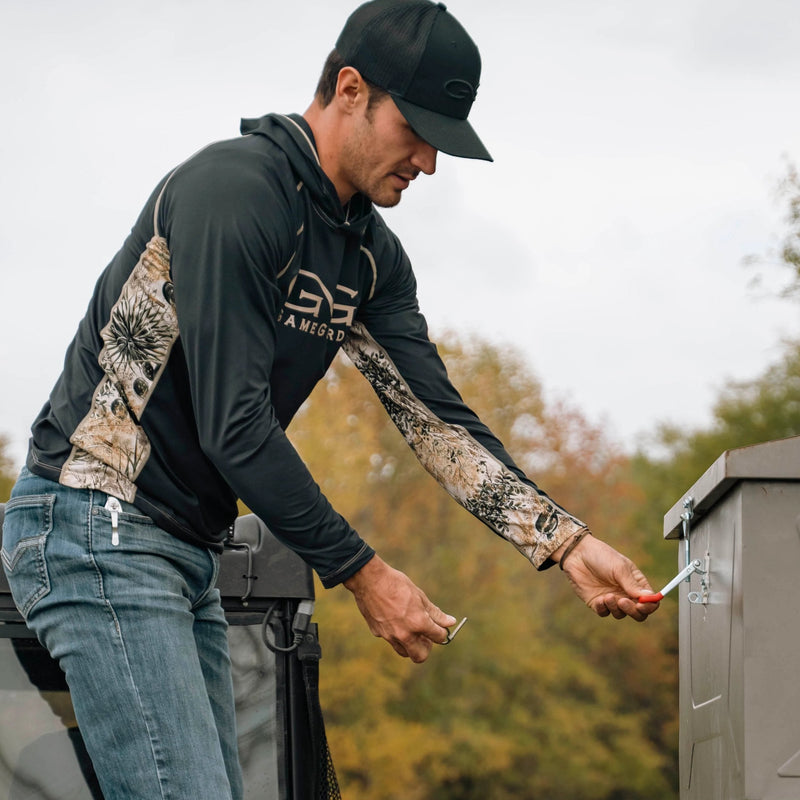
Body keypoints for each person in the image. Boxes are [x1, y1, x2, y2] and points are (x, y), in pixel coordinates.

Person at [1, 0, 659, 797]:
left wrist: (565, 543)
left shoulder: (368, 257)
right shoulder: (233, 191)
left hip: (185, 551)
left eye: (443, 143)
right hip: (92, 520)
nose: (429, 161)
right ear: (350, 89)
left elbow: (437, 422)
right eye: (415, 130)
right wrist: (364, 573)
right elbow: (235, 428)